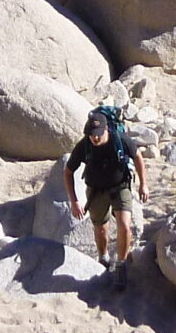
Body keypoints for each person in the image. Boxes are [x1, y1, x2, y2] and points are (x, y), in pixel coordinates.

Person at [63, 105, 149, 279]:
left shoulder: (121, 139)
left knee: (124, 226)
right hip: (96, 191)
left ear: (106, 129)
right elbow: (68, 171)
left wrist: (143, 184)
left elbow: (138, 157)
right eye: (91, 134)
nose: (95, 137)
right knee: (101, 228)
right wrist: (74, 201)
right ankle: (103, 258)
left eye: (98, 134)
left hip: (121, 187)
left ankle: (121, 265)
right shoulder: (84, 145)